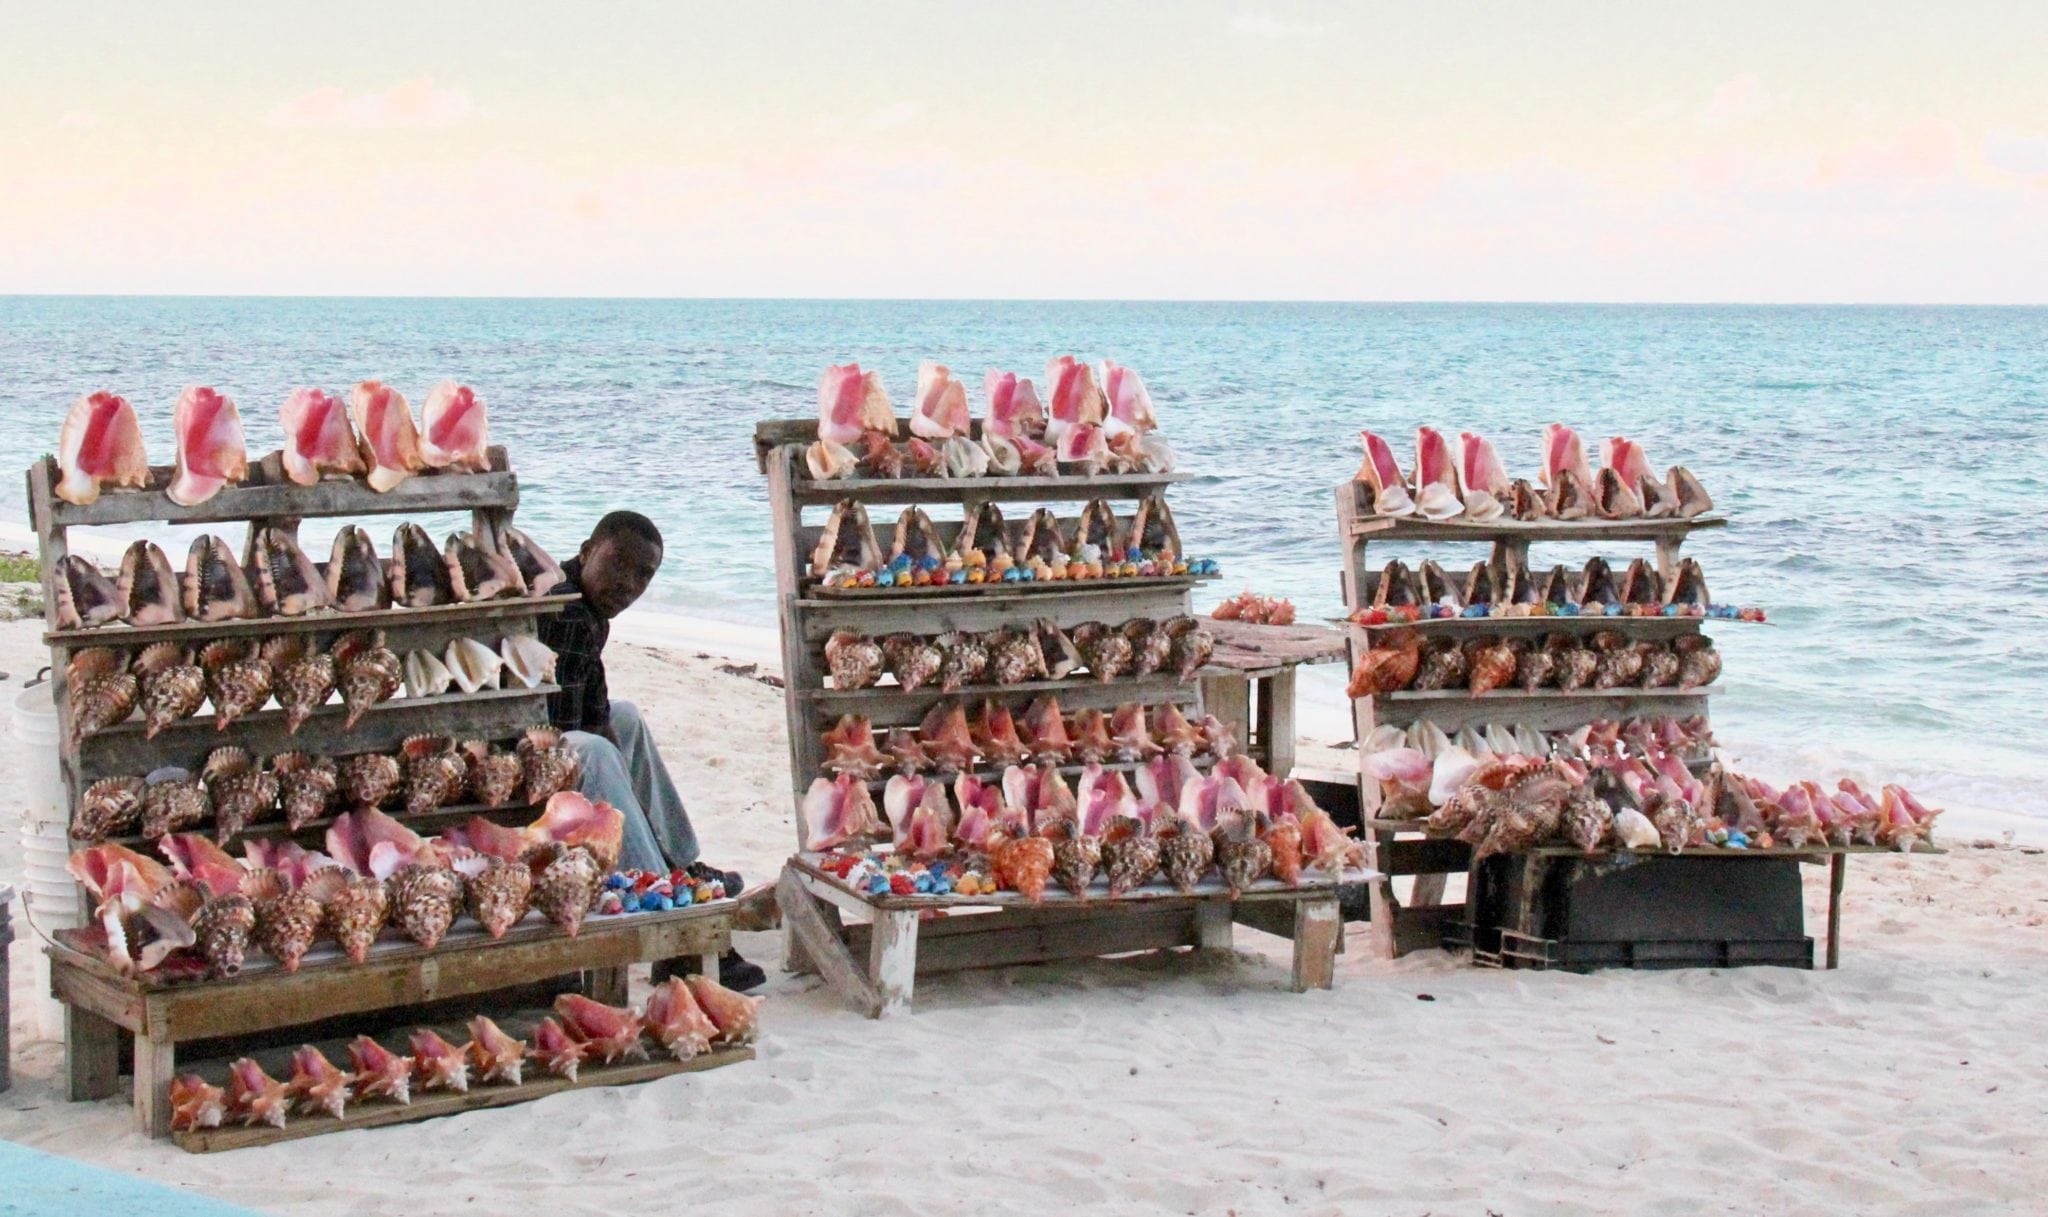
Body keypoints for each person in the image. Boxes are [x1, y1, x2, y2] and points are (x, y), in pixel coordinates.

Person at [539, 510, 766, 992]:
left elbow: (596, 705)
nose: (628, 584)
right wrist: (632, 806)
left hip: (548, 728)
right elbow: (570, 728)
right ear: (586, 552)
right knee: (594, 751)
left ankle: (679, 864)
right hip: (513, 748)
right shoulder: (569, 612)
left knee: (625, 717)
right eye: (618, 564)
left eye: (643, 574)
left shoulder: (585, 604)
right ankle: (670, 919)